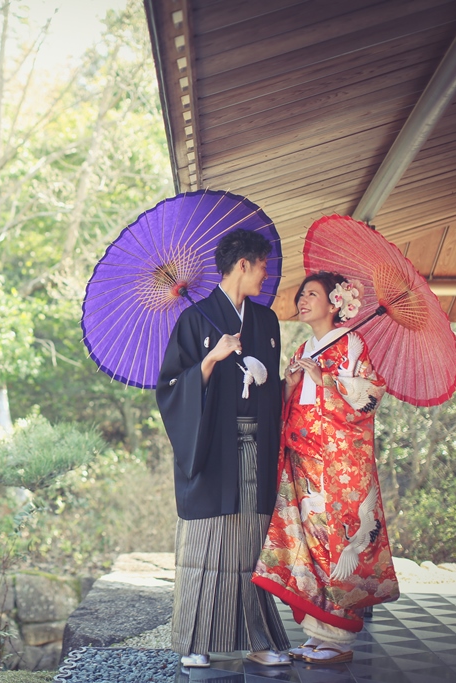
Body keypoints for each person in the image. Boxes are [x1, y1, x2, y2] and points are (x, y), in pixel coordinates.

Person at [156, 229, 291, 669]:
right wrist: (212, 359)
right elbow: (171, 387)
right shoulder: (194, 321)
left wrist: (277, 379)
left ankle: (257, 638)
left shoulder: (266, 323)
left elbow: (272, 394)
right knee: (207, 544)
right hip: (212, 450)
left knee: (251, 543)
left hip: (256, 446)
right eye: (262, 265)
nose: (265, 274)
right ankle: (196, 641)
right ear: (243, 265)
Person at [252, 271, 399, 665]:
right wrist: (290, 383)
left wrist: (328, 380)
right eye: (301, 294)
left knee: (337, 544)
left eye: (311, 294)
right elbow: (294, 404)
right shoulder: (305, 345)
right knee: (309, 541)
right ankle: (318, 635)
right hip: (303, 458)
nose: (302, 300)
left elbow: (370, 394)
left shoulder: (352, 342)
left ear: (336, 303)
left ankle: (338, 637)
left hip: (337, 466)